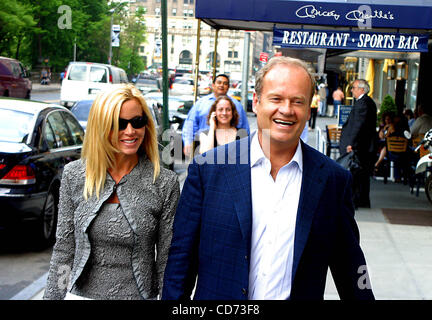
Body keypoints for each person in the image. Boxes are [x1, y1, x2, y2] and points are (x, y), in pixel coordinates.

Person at [162, 56, 374, 300]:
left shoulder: (333, 181)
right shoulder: (208, 170)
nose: (286, 109)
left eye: (298, 101)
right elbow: (180, 263)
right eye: (276, 98)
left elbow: (352, 268)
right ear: (256, 101)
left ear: (308, 110)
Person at [43, 84, 180, 300]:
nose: (130, 131)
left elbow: (167, 259)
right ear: (102, 126)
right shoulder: (74, 175)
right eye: (119, 123)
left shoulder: (164, 183)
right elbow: (64, 251)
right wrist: (53, 297)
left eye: (137, 122)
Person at [182, 74, 250, 157]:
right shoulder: (201, 103)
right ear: (213, 85)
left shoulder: (237, 105)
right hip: (204, 145)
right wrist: (187, 142)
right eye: (219, 82)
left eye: (225, 83)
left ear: (228, 87)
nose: (222, 85)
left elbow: (244, 127)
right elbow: (191, 123)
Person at [339, 79, 378, 209]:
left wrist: (351, 143)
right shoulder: (367, 102)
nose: (352, 90)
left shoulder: (362, 103)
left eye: (354, 87)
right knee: (363, 174)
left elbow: (358, 125)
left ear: (361, 89)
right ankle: (362, 200)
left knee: (356, 173)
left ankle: (356, 200)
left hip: (361, 146)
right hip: (365, 146)